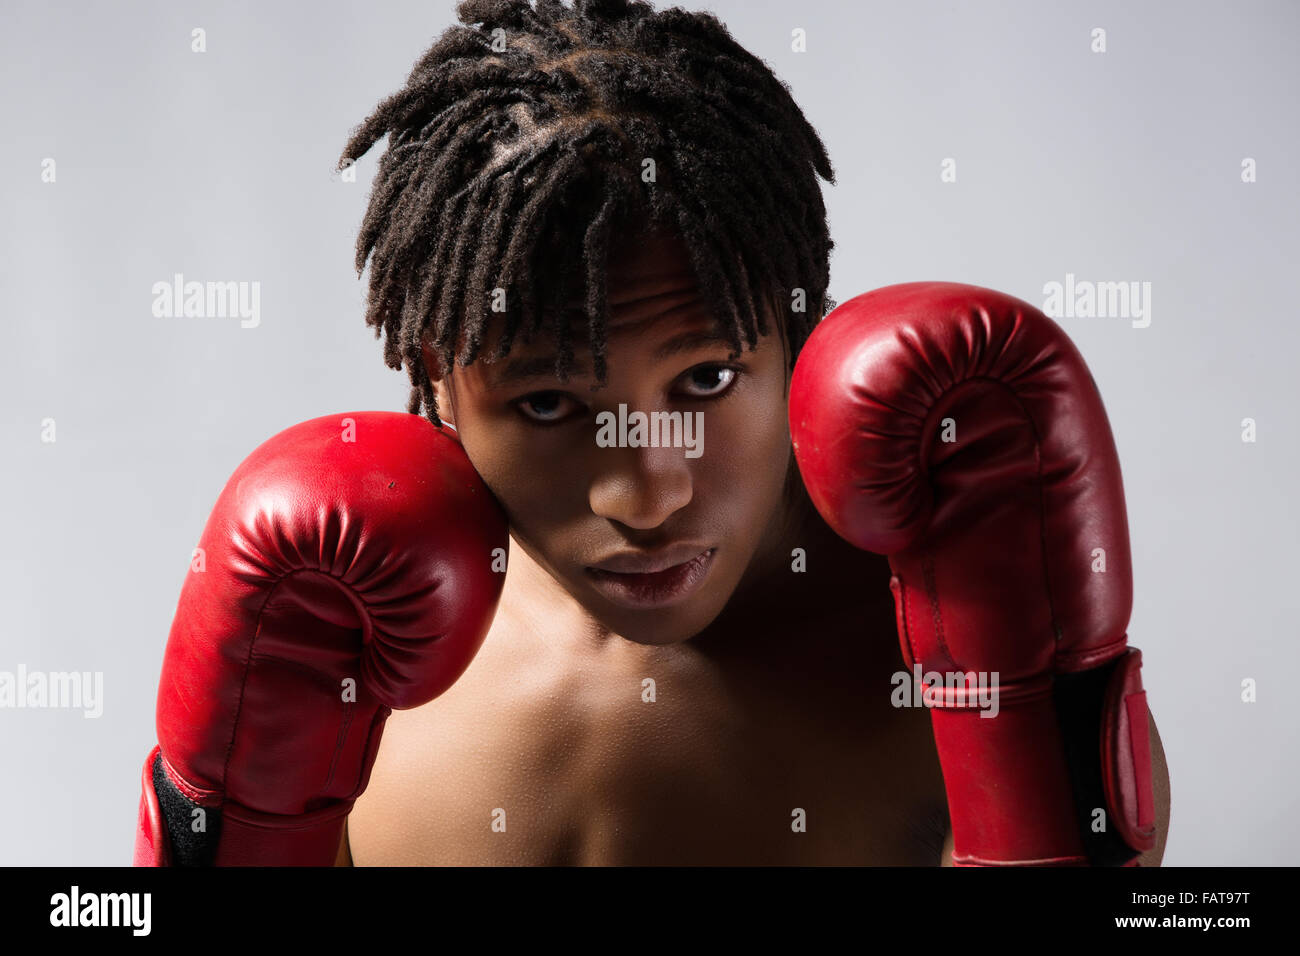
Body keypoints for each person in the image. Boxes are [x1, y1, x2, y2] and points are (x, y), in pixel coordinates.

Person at [133, 0, 1169, 867]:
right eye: (547, 403)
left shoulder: (949, 641)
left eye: (708, 377)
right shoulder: (336, 635)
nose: (645, 492)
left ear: (802, 344)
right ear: (437, 383)